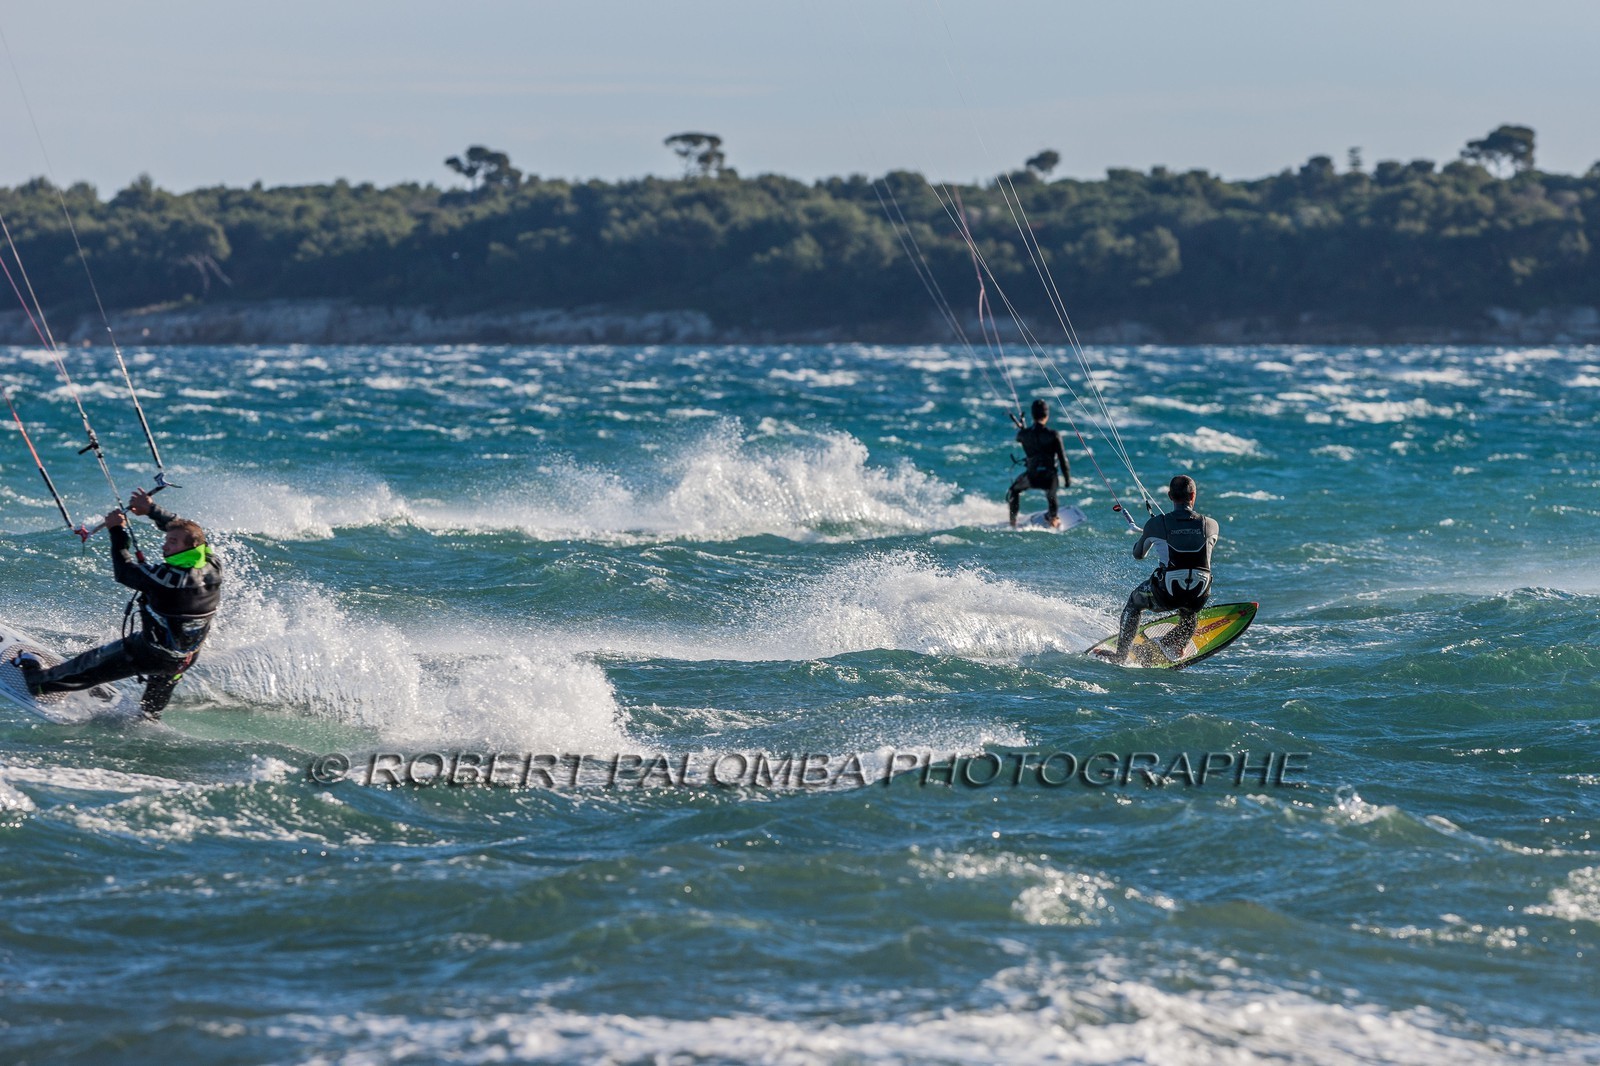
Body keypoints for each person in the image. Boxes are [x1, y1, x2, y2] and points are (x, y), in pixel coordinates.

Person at [13, 488, 222, 720]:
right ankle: (149, 715)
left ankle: (39, 683)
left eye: (172, 543)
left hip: (150, 652)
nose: (165, 546)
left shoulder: (168, 578)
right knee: (166, 676)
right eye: (167, 541)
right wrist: (153, 510)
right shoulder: (212, 566)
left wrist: (117, 530)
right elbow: (199, 537)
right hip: (186, 656)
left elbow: (124, 572)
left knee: (92, 663)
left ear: (188, 547)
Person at [1097, 474, 1219, 664]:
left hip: (1166, 595)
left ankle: (1120, 655)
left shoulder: (1156, 524)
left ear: (1170, 496)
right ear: (1193, 495)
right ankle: (1176, 643)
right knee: (1189, 610)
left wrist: (1149, 535)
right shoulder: (1211, 525)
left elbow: (1138, 555)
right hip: (1198, 595)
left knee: (1134, 602)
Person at [1007, 398, 1071, 528]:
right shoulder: (1054, 435)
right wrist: (1067, 479)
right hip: (1049, 478)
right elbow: (1063, 459)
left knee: (1014, 490)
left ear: (1032, 415)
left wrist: (1024, 429)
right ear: (1047, 415)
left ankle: (1013, 522)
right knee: (1051, 494)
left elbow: (1019, 437)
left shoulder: (1024, 434)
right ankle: (1053, 518)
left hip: (1032, 477)